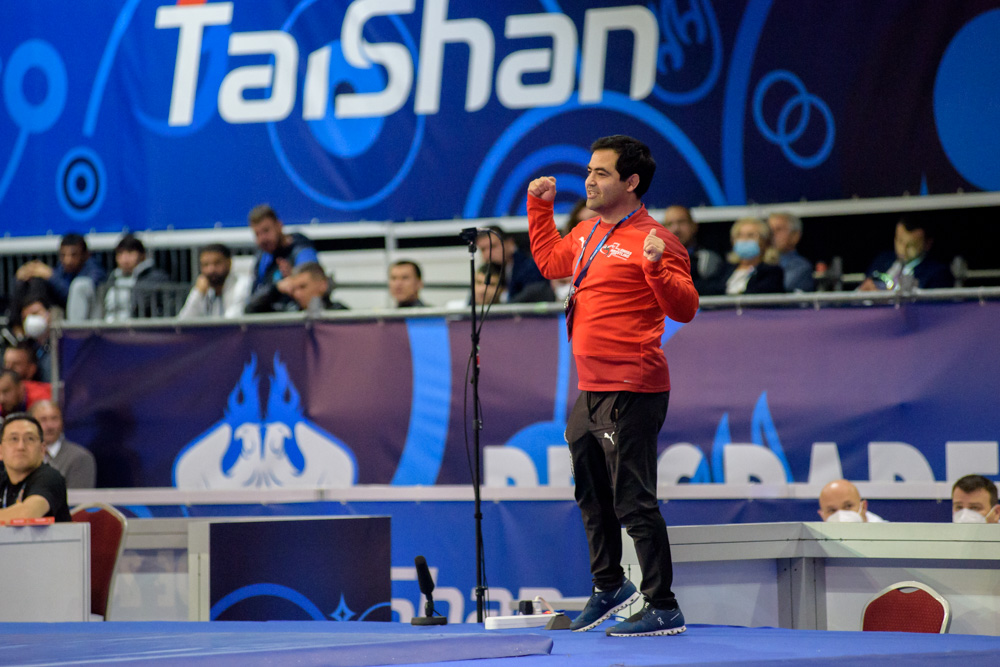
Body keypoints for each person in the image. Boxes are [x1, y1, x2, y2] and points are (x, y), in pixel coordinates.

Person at [527, 135, 697, 637]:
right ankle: (610, 587)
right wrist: (540, 208)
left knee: (634, 501)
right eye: (588, 171)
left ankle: (663, 605)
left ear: (631, 181)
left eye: (601, 173)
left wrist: (656, 268)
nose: (589, 181)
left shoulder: (656, 239)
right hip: (591, 388)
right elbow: (551, 262)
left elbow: (685, 307)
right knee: (590, 494)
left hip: (634, 386)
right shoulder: (587, 231)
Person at [11, 233, 107, 322]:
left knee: (78, 285)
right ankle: (18, 327)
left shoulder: (95, 272)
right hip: (63, 317)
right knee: (35, 282)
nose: (67, 260)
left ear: (85, 255)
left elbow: (74, 297)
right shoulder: (62, 269)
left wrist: (51, 276)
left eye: (73, 255)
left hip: (89, 323)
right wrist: (28, 273)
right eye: (63, 255)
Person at [245, 204, 319, 313]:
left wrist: (294, 278)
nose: (262, 239)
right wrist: (276, 288)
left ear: (279, 226)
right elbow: (252, 300)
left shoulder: (302, 250)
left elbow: (313, 290)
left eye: (266, 231)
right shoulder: (262, 257)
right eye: (257, 234)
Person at [0, 412, 71, 522]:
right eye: (14, 439)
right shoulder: (2, 479)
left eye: (30, 439)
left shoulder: (50, 478)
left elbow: (27, 514)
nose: (21, 447)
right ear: (0, 451)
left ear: (42, 449)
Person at [858, 217, 953, 291]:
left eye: (911, 245)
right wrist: (862, 291)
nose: (903, 249)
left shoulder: (937, 273)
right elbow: (860, 290)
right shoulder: (882, 260)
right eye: (900, 241)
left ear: (927, 244)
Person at [27, 401, 97, 490]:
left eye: (54, 419)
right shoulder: (23, 455)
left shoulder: (80, 458)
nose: (50, 426)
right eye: (43, 420)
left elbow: (78, 497)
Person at [103, 234, 170, 321]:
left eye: (130, 252)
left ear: (142, 255)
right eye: (120, 253)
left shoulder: (156, 278)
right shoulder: (113, 277)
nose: (125, 259)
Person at [662, 205, 725, 295]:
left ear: (694, 226)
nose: (676, 229)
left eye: (681, 222)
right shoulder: (656, 260)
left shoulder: (708, 260)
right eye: (669, 224)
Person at [177, 244, 251, 319]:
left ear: (229, 263)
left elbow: (231, 321)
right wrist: (197, 293)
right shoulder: (204, 290)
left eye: (217, 263)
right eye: (206, 265)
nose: (211, 270)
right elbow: (183, 321)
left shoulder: (242, 285)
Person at [476, 225, 546, 301]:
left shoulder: (530, 268)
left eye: (493, 246)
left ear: (510, 243)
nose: (487, 254)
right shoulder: (486, 271)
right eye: (483, 249)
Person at [716, 217, 785, 295]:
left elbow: (759, 293)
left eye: (750, 235)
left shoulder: (772, 272)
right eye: (739, 235)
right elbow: (711, 288)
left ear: (764, 241)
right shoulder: (725, 269)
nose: (744, 239)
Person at [767, 211, 815, 292]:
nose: (772, 234)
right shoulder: (758, 262)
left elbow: (775, 288)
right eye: (769, 230)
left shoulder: (801, 267)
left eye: (778, 229)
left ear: (795, 236)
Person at [3, 342, 51, 406]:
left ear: (31, 369)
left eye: (16, 364)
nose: (8, 368)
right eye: (6, 363)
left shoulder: (44, 397)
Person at [817, 479, 886, 522]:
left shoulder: (887, 535)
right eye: (832, 510)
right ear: (822, 515)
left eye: (848, 506)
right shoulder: (815, 539)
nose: (841, 515)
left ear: (864, 507)